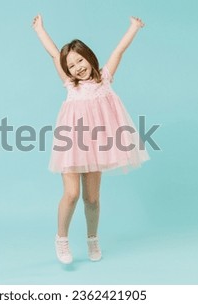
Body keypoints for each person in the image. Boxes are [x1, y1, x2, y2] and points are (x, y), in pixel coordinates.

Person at [32, 14, 150, 264]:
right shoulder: (70, 85)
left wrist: (134, 27)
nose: (77, 68)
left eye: (80, 61)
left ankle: (92, 239)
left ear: (89, 57)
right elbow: (54, 54)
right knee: (72, 194)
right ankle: (61, 239)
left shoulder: (104, 79)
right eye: (71, 65)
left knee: (92, 199)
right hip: (72, 145)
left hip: (97, 146)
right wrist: (40, 29)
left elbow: (119, 51)